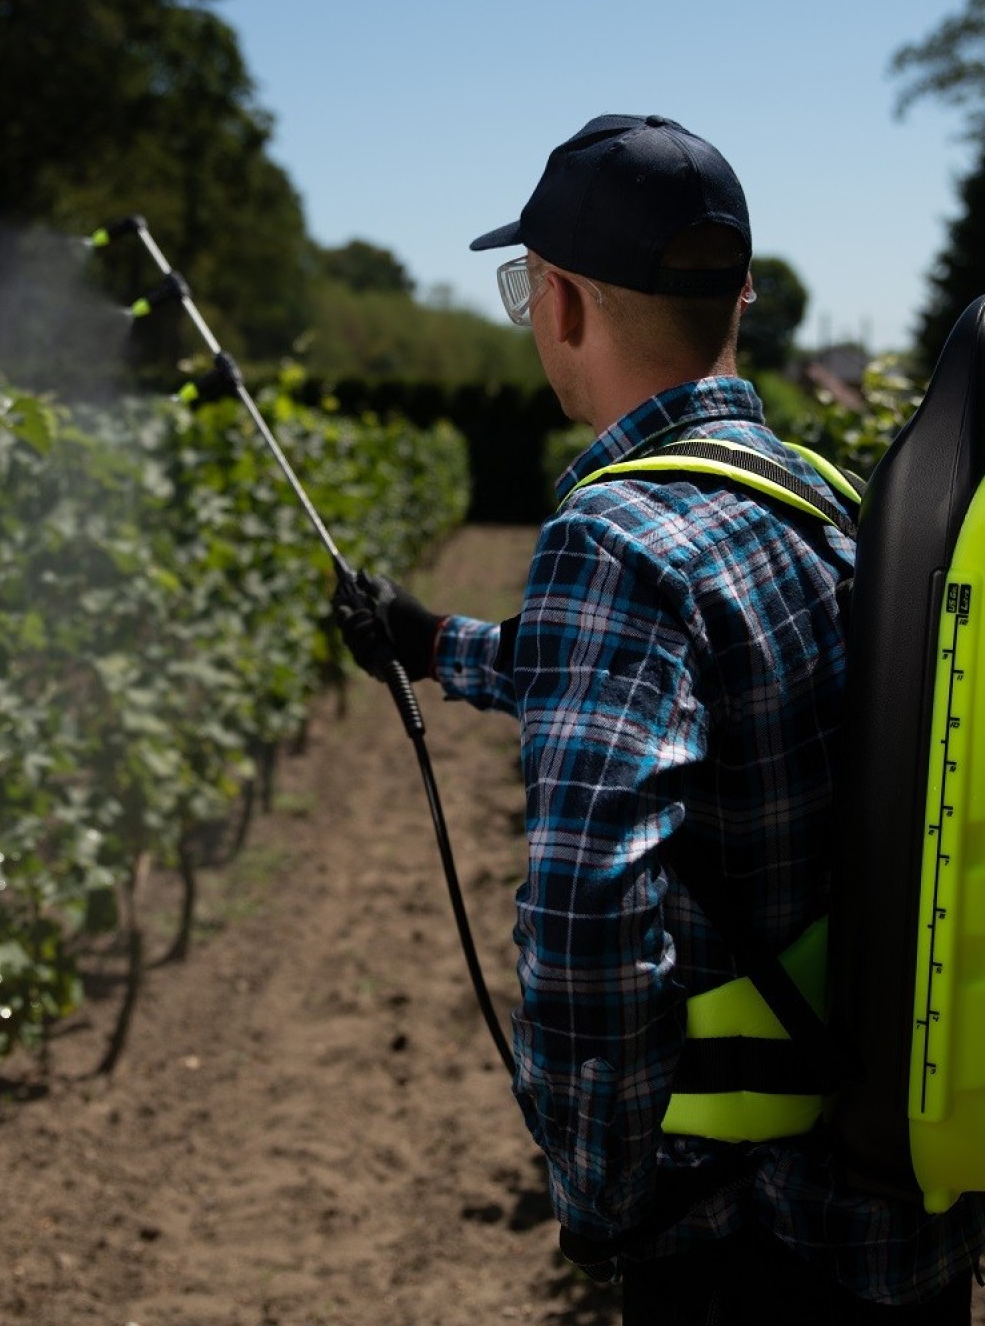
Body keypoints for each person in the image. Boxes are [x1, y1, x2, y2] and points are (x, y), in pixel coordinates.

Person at [333, 114, 985, 1323]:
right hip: (896, 1209)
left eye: (528, 288)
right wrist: (438, 648)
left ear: (563, 304)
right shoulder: (829, 504)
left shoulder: (611, 540)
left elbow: (587, 922)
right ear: (738, 299)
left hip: (748, 1238)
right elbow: (732, 709)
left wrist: (598, 1191)